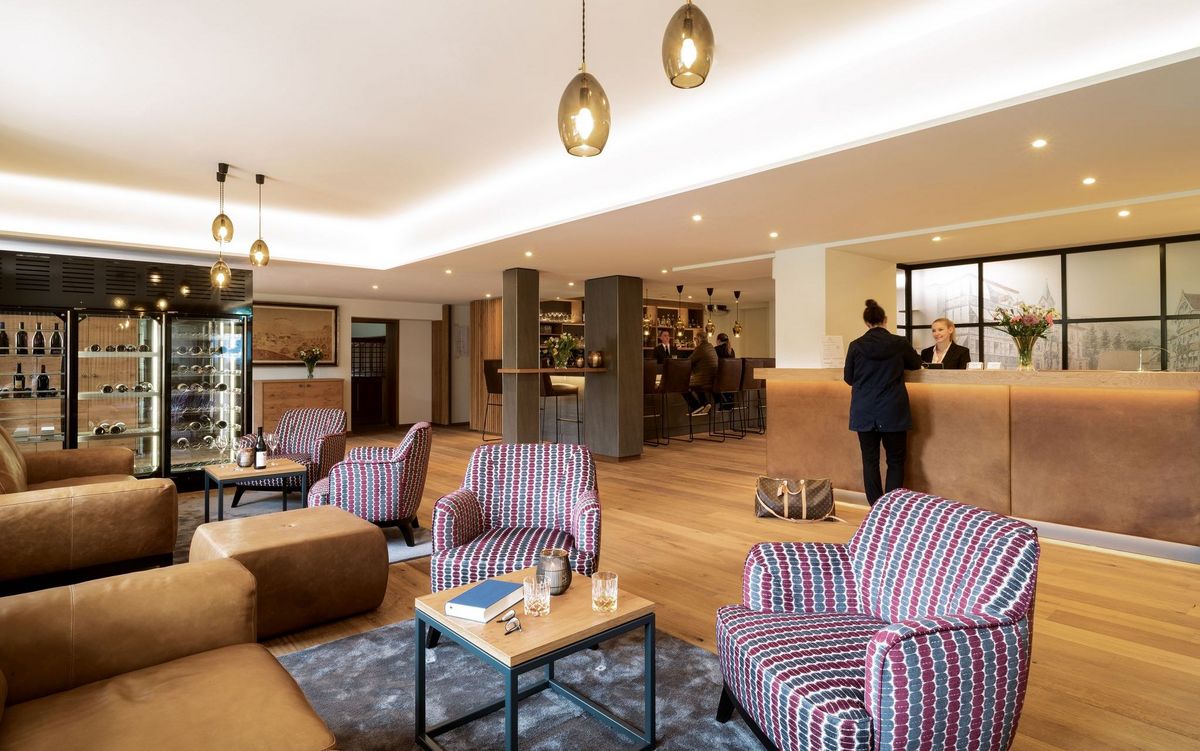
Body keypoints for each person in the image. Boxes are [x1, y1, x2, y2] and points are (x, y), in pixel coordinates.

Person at [843, 299, 922, 505]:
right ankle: (891, 507)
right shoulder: (899, 343)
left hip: (864, 410)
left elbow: (849, 378)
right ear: (885, 320)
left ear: (866, 322)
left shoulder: (856, 345)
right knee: (895, 460)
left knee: (870, 460)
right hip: (892, 409)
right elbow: (916, 364)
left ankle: (875, 507)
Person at [682, 335, 718, 415]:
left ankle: (696, 406)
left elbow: (688, 361)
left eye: (695, 339)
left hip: (704, 381)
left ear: (698, 339)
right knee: (696, 381)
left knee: (682, 386)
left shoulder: (700, 348)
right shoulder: (711, 347)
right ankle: (705, 403)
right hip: (713, 380)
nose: (695, 342)